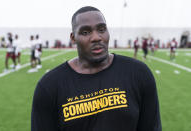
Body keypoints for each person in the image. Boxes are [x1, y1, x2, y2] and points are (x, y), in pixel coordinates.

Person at [31, 6, 162, 131]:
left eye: (101, 29)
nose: (96, 37)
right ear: (73, 38)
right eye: (86, 32)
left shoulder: (138, 73)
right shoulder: (49, 86)